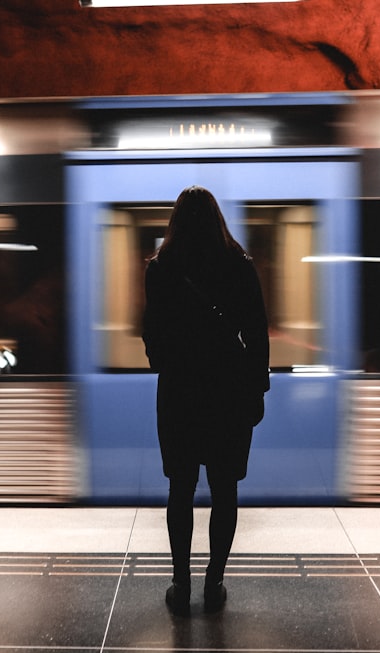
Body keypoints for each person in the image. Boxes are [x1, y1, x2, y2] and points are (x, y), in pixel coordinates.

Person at [142, 186, 270, 615]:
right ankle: (214, 582)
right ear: (217, 218)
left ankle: (181, 583)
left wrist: (166, 358)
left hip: (180, 391)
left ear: (176, 221)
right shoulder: (239, 264)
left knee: (180, 489)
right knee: (224, 489)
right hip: (228, 391)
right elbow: (257, 332)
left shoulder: (161, 268)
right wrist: (258, 389)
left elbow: (152, 334)